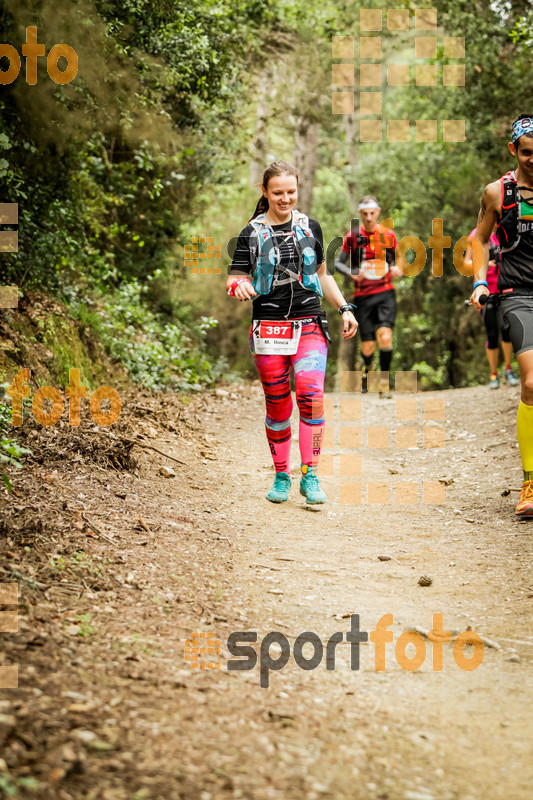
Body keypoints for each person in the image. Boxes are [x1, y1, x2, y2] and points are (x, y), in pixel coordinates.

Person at [227, 160, 358, 504]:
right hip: (268, 328)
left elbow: (324, 275)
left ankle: (310, 474)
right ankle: (282, 474)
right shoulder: (250, 233)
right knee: (278, 406)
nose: (286, 199)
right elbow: (234, 276)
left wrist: (344, 307)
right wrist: (239, 286)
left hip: (309, 324)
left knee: (312, 399)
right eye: (278, 193)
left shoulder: (309, 226)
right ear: (265, 193)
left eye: (291, 192)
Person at [470, 114, 533, 517]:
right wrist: (479, 282)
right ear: (514, 150)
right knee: (532, 381)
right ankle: (530, 482)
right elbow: (477, 241)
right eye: (527, 153)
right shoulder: (497, 193)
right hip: (518, 295)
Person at [334, 196, 402, 396]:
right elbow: (338, 263)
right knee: (368, 345)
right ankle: (366, 369)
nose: (369, 218)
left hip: (385, 293)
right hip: (362, 296)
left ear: (378, 212)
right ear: (360, 214)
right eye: (365, 214)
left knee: (385, 336)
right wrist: (351, 272)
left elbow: (395, 260)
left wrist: (397, 268)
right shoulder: (352, 236)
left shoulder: (388, 235)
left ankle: (384, 384)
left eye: (372, 213)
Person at [466, 226, 519, 389]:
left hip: (506, 287)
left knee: (506, 329)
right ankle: (493, 373)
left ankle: (508, 369)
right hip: (485, 291)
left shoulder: (507, 229)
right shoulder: (476, 235)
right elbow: (466, 263)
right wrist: (484, 264)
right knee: (491, 332)